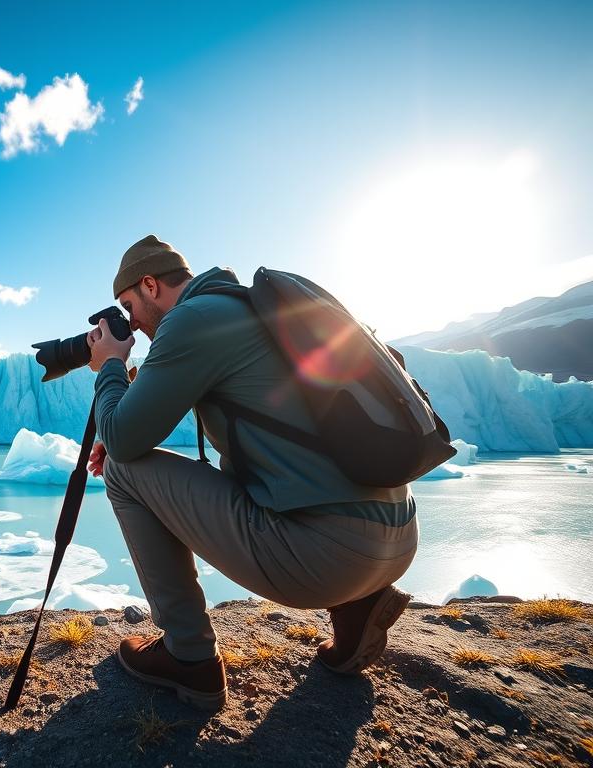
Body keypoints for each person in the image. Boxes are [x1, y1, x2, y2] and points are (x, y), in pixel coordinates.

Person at [85, 234, 418, 710]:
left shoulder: (193, 321)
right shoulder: (249, 309)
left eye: (128, 304)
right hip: (395, 541)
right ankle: (359, 603)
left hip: (327, 556)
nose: (131, 324)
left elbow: (121, 441)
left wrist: (110, 367)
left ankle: (190, 657)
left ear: (151, 285)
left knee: (120, 468)